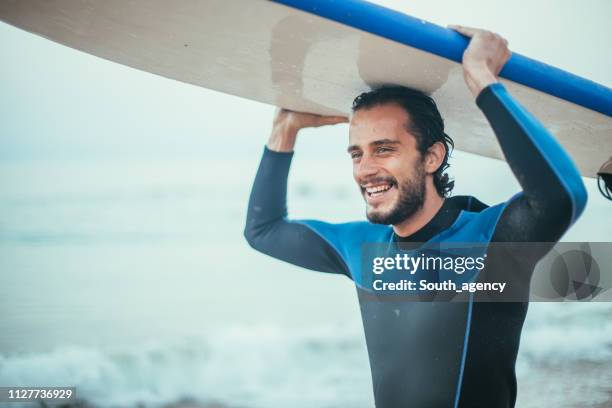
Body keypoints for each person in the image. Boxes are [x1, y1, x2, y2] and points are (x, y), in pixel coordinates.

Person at [244, 25, 587, 408]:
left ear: (432, 157)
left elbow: (561, 196)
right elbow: (263, 229)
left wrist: (481, 79)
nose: (365, 169)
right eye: (357, 154)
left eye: (384, 149)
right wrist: (284, 130)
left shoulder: (491, 242)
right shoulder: (361, 247)